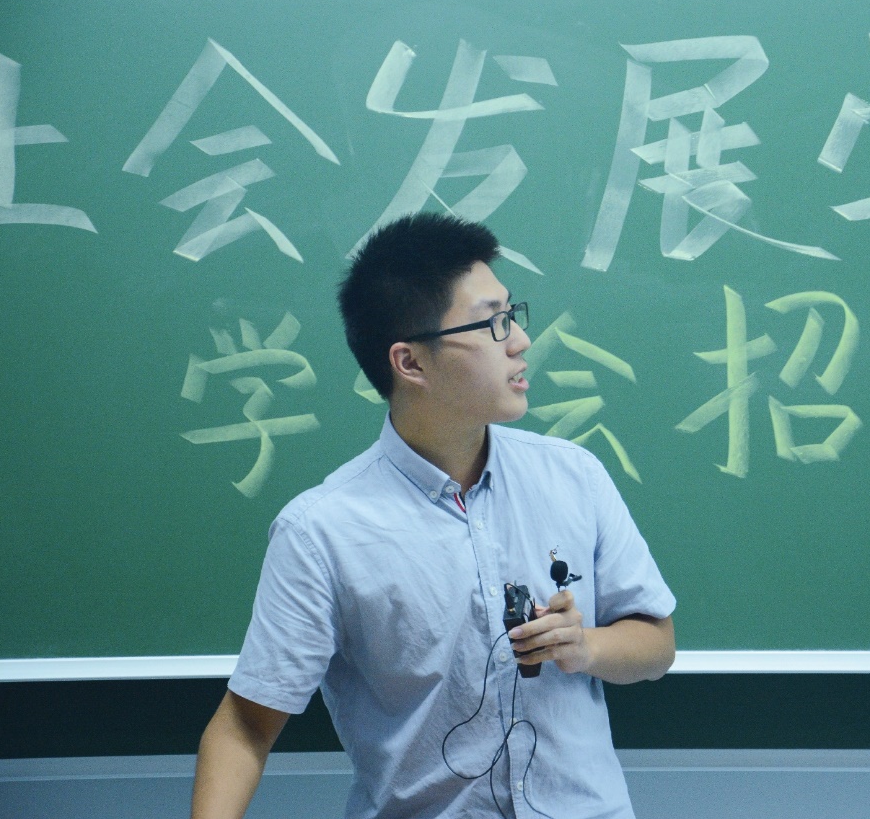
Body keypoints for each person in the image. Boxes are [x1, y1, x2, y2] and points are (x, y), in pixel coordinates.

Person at [190, 213, 676, 819]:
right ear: (411, 363)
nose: (520, 341)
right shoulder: (320, 533)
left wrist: (586, 647)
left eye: (512, 314)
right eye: (493, 323)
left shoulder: (574, 476)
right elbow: (244, 727)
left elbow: (657, 643)